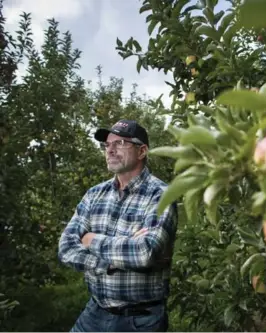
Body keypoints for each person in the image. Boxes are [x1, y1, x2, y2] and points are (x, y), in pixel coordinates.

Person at [58, 119, 178, 332]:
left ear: (142, 151)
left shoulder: (161, 195)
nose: (110, 150)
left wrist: (90, 239)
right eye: (107, 145)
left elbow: (144, 252)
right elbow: (66, 248)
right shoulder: (95, 194)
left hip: (140, 320)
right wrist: (109, 263)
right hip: (95, 312)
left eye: (121, 143)